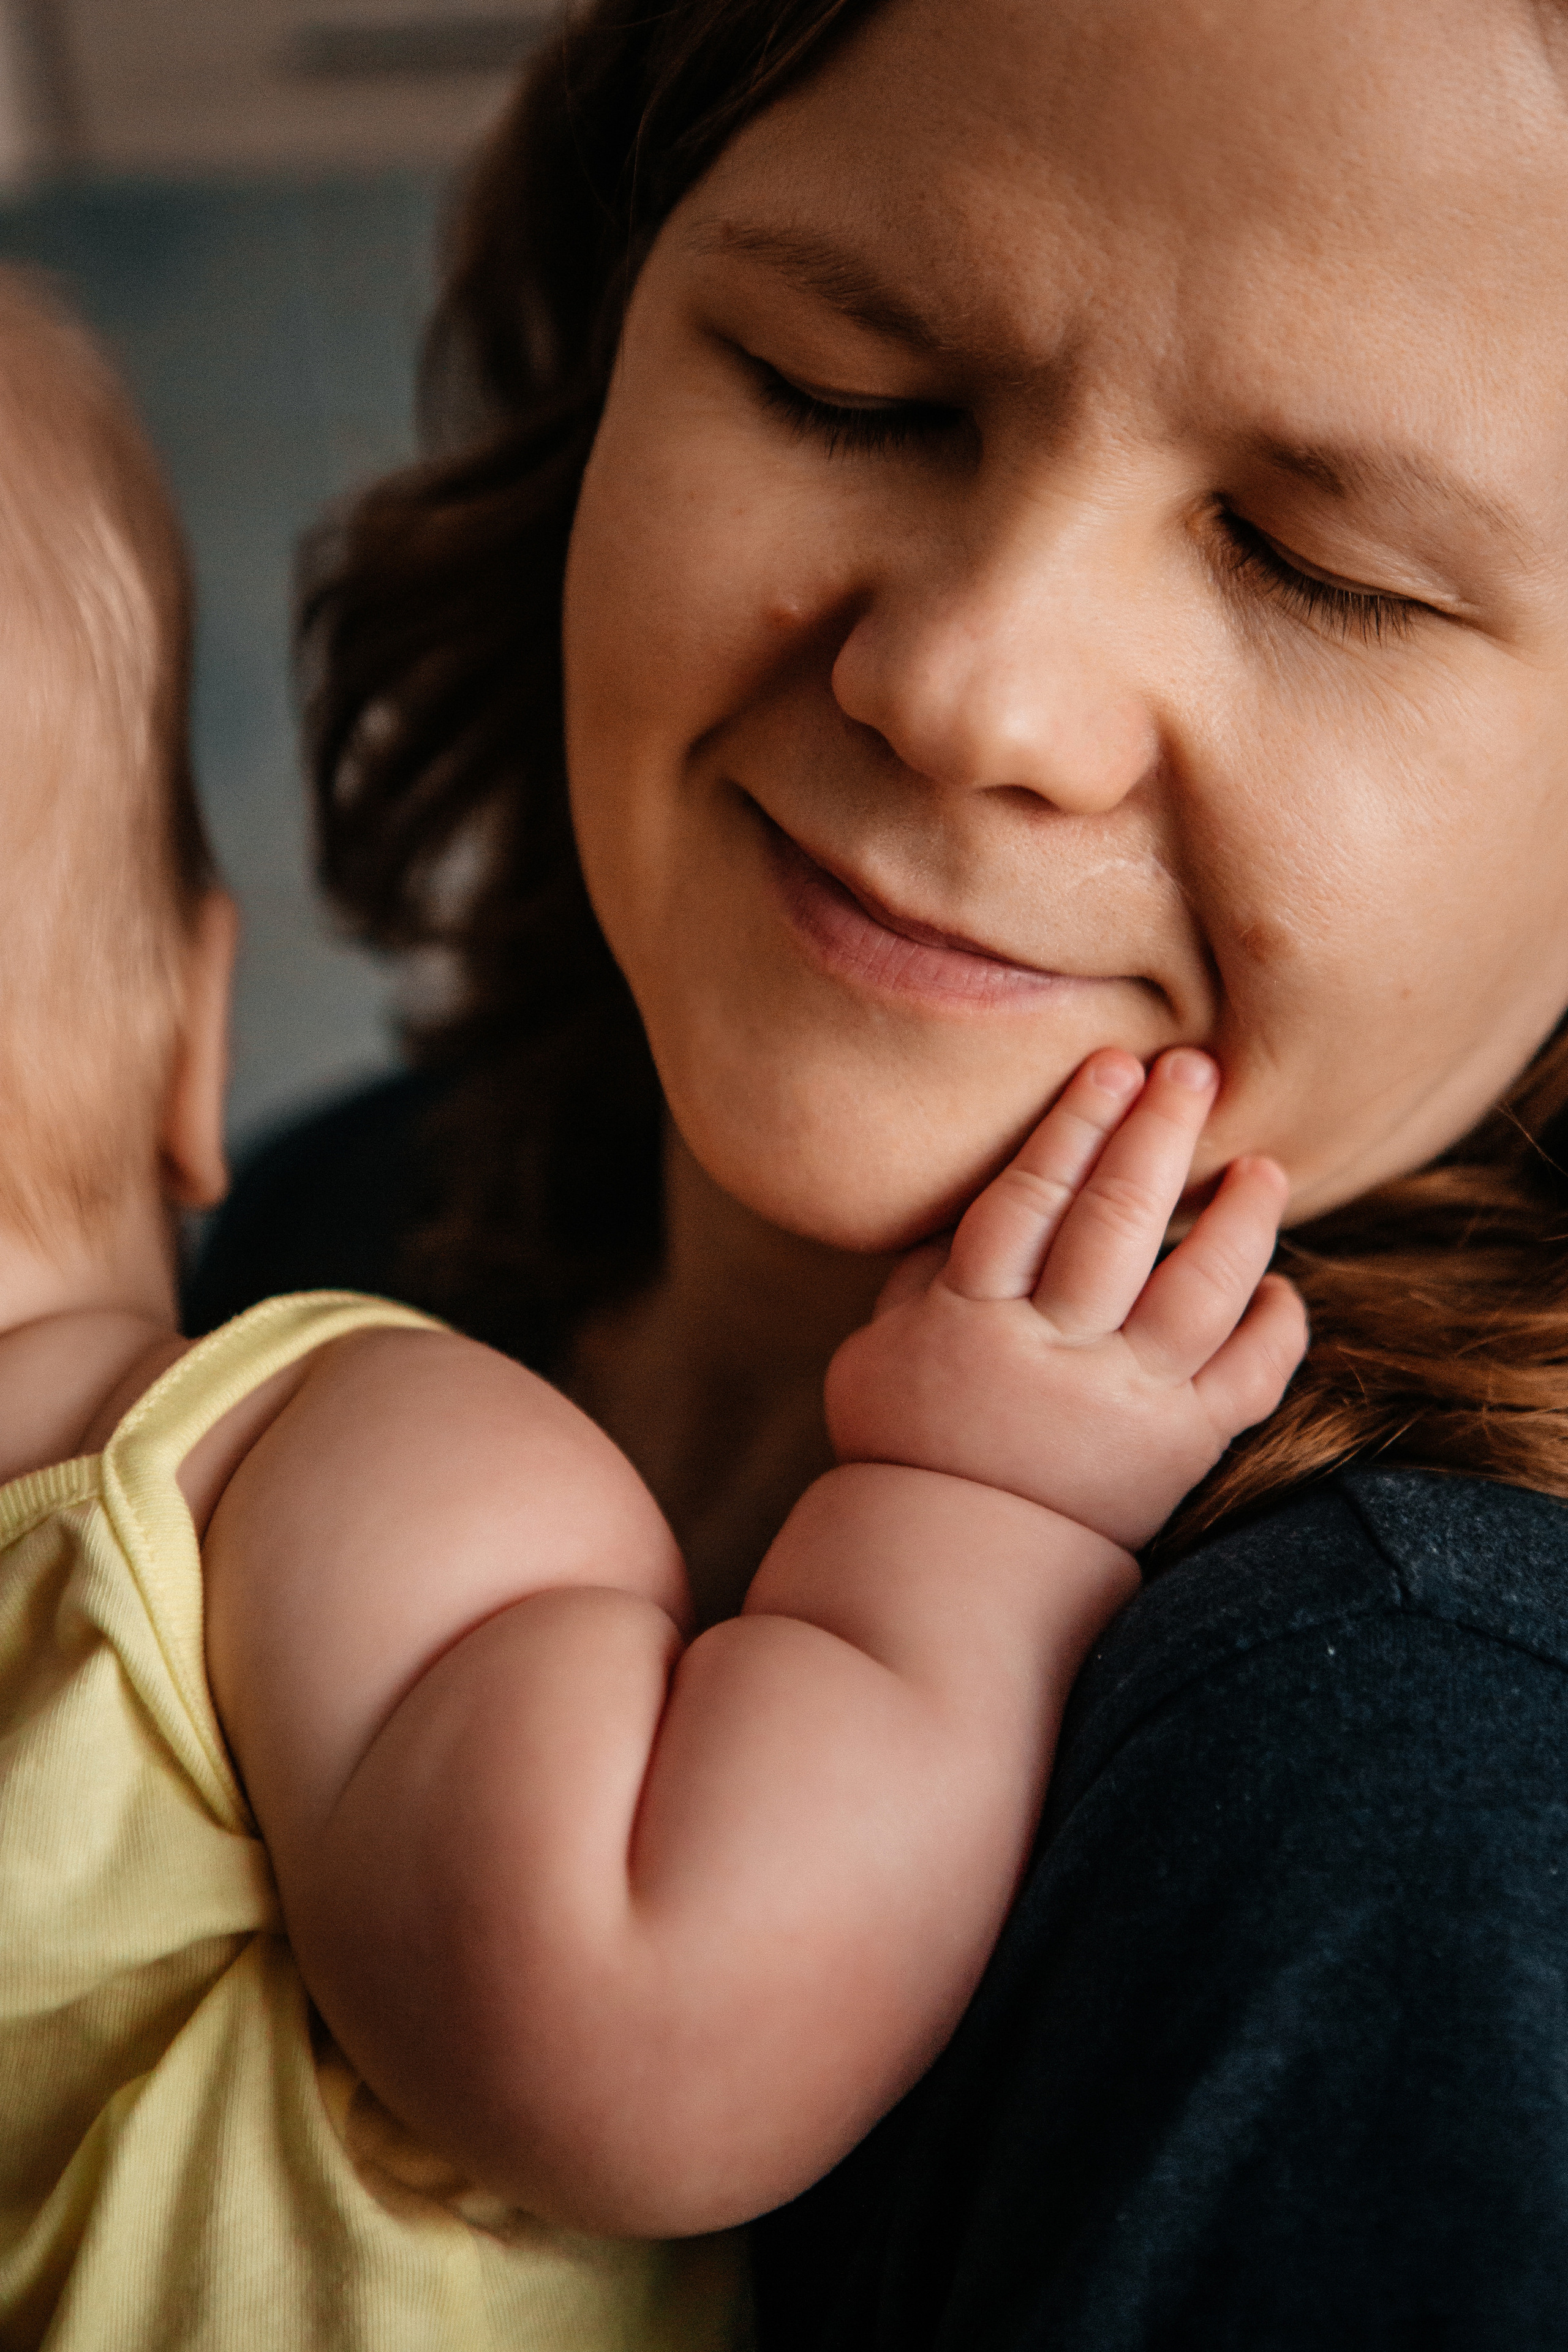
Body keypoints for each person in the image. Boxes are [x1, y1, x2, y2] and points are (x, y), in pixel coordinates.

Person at [188, 0, 1568, 2340]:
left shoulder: (1402, 1823)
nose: (973, 689)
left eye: (1320, 564)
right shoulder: (345, 1220)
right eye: (853, 391)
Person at [0, 268, 1308, 2342]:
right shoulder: (282, 1461)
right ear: (194, 1037)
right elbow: (655, 1988)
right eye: (845, 389)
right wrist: (984, 1509)